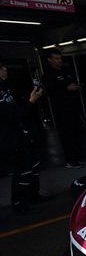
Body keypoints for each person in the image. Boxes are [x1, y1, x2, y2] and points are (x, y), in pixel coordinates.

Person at [0, 62, 44, 213]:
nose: (5, 69)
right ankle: (19, 204)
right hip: (9, 137)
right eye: (1, 67)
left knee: (34, 164)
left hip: (22, 132)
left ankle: (33, 196)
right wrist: (31, 101)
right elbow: (13, 116)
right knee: (23, 169)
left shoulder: (5, 86)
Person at [41, 48, 85, 169]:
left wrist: (76, 87)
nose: (59, 60)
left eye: (60, 58)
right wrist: (66, 89)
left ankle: (79, 157)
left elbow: (73, 84)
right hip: (62, 111)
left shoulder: (66, 71)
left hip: (73, 107)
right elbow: (50, 93)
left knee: (77, 133)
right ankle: (70, 160)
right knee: (67, 134)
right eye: (56, 58)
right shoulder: (48, 75)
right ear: (49, 60)